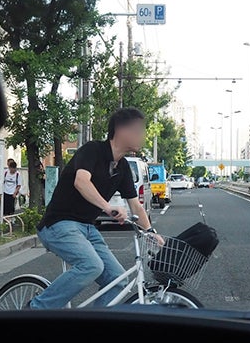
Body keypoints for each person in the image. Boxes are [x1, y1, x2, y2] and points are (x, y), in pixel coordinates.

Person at [28, 107, 158, 309]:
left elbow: (136, 205)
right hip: (58, 224)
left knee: (117, 280)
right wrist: (108, 207)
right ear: (121, 130)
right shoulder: (93, 150)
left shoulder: (122, 167)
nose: (142, 135)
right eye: (138, 130)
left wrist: (150, 232)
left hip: (88, 229)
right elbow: (82, 182)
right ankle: (36, 309)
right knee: (91, 266)